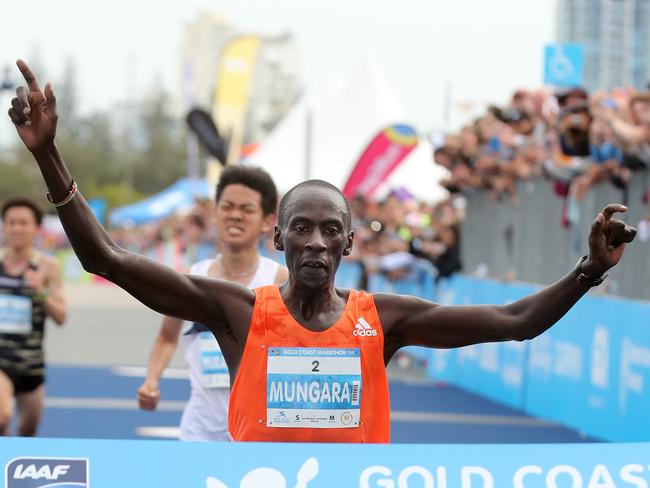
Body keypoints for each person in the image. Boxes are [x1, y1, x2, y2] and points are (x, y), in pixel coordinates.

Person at [8, 60, 636, 443]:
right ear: (277, 239)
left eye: (330, 229)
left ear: (349, 242)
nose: (315, 241)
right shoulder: (239, 310)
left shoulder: (384, 318)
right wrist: (46, 154)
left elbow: (514, 323)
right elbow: (109, 260)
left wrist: (588, 271)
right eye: (301, 229)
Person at [136, 165, 288, 441]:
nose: (235, 216)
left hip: (258, 431)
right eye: (227, 206)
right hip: (199, 429)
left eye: (247, 209)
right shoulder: (193, 278)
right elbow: (167, 337)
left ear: (267, 222)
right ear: (215, 213)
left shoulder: (280, 280)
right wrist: (151, 380)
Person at [0, 196, 66, 436]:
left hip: (31, 364)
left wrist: (40, 293)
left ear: (36, 228)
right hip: (1, 358)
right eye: (11, 222)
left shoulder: (47, 267)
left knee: (28, 432)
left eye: (23, 223)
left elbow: (61, 316)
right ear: (4, 226)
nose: (17, 228)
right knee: (1, 416)